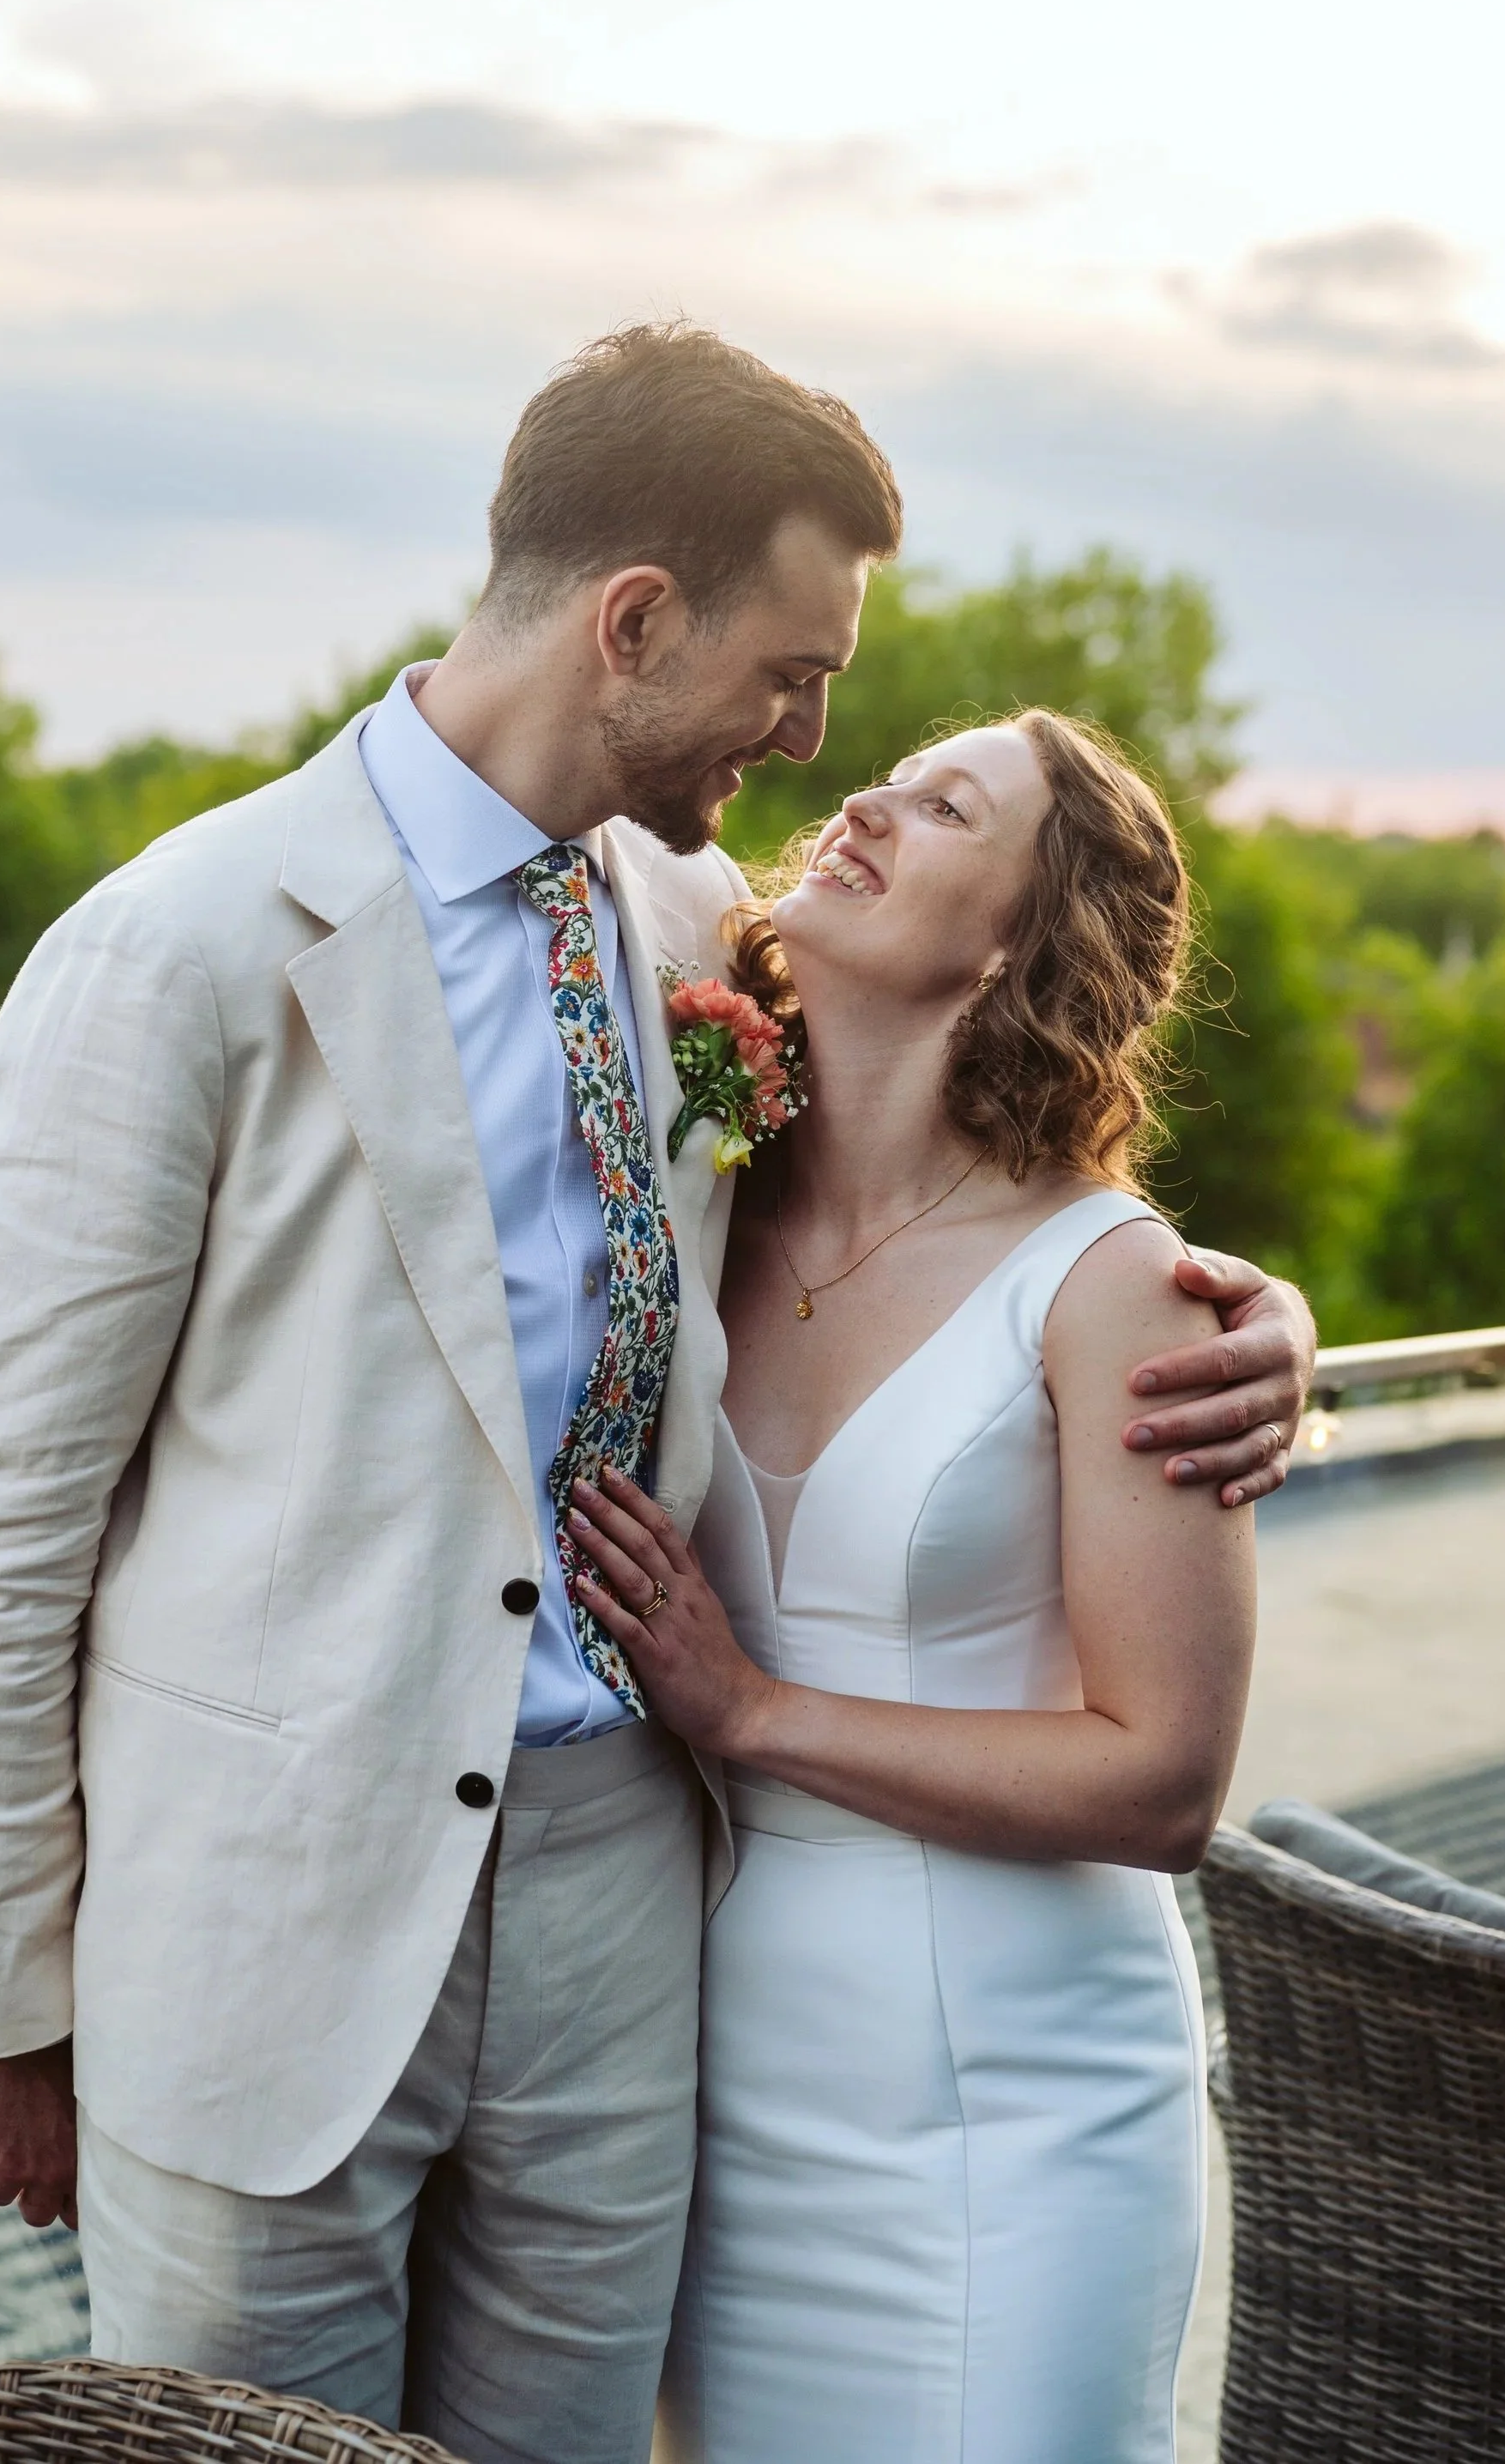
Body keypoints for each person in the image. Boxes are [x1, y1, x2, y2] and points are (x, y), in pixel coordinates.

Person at [0, 325, 1311, 2464]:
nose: (815, 736)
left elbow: (994, 1213)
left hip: (624, 1937)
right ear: (635, 621)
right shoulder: (177, 948)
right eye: (794, 674)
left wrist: (1246, 1324)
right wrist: (13, 2001)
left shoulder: (703, 920)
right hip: (261, 1941)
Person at [564, 711, 1255, 2464]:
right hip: (714, 2073)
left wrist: (754, 1707)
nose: (860, 798)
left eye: (948, 804)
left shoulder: (1114, 1283)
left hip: (1018, 2104)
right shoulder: (693, 1201)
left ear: (1026, 933)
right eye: (888, 773)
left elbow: (1161, 1779)